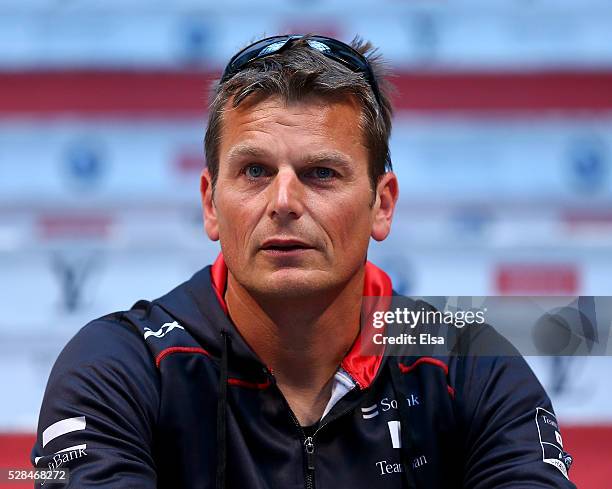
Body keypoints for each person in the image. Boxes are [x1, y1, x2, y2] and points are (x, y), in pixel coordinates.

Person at [31, 34, 576, 488]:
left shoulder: (468, 366)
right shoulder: (119, 368)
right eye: (254, 172)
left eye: (320, 173)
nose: (284, 202)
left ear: (381, 205)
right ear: (209, 204)